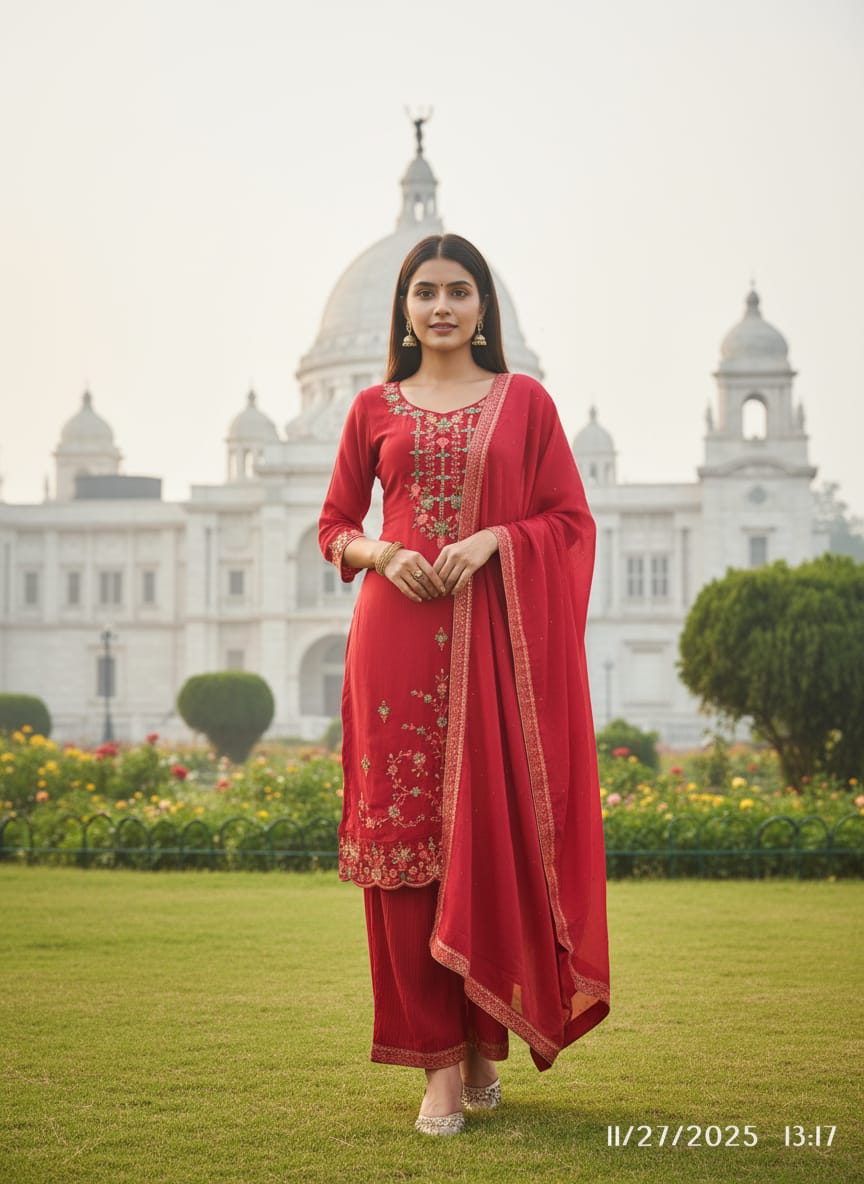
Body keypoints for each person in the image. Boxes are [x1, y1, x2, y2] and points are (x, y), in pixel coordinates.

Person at [318, 233, 609, 1136]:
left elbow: (567, 518)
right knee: (405, 857)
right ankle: (439, 1070)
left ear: (485, 307)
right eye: (424, 293)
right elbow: (333, 525)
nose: (441, 307)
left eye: (459, 291)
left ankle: (486, 1041)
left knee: (487, 842)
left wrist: (495, 541)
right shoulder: (373, 406)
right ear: (401, 309)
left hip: (493, 646)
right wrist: (382, 551)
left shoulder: (527, 404)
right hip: (395, 644)